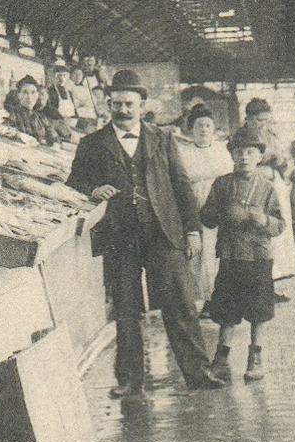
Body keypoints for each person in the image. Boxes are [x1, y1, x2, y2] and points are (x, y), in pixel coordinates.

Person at [66, 69, 225, 396]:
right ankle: (129, 380)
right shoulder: (92, 144)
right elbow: (73, 184)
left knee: (180, 304)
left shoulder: (161, 138)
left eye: (129, 104)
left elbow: (181, 186)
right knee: (125, 309)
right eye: (117, 104)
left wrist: (192, 231)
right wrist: (93, 189)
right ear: (108, 103)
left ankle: (198, 373)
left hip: (163, 232)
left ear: (141, 105)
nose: (123, 110)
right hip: (118, 235)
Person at [199, 129, 285, 382]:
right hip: (230, 254)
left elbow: (280, 225)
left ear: (259, 156)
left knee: (259, 308)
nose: (244, 157)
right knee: (226, 308)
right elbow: (207, 217)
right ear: (232, 155)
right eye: (239, 152)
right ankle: (222, 358)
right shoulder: (222, 184)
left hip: (258, 256)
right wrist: (222, 213)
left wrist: (263, 220)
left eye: (250, 152)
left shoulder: (267, 188)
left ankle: (255, 357)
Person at [173, 105, 233, 309]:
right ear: (191, 129)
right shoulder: (183, 152)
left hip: (222, 204)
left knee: (224, 252)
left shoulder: (224, 149)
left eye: (208, 125)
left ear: (214, 128)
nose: (204, 129)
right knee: (203, 255)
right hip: (197, 206)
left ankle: (227, 297)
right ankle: (207, 299)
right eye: (199, 125)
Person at [238, 99, 295, 298]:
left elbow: (282, 158)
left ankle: (272, 284)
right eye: (258, 120)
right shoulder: (241, 137)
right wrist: (265, 169)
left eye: (266, 120)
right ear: (248, 118)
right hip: (255, 189)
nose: (262, 124)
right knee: (259, 237)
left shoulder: (271, 135)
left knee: (277, 233)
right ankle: (259, 289)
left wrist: (281, 164)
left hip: (275, 186)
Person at [0, 77, 57, 146]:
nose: (29, 97)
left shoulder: (42, 118)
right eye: (25, 92)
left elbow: (53, 137)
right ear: (19, 95)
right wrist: (20, 135)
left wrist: (55, 143)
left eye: (33, 92)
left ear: (37, 95)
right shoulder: (10, 113)